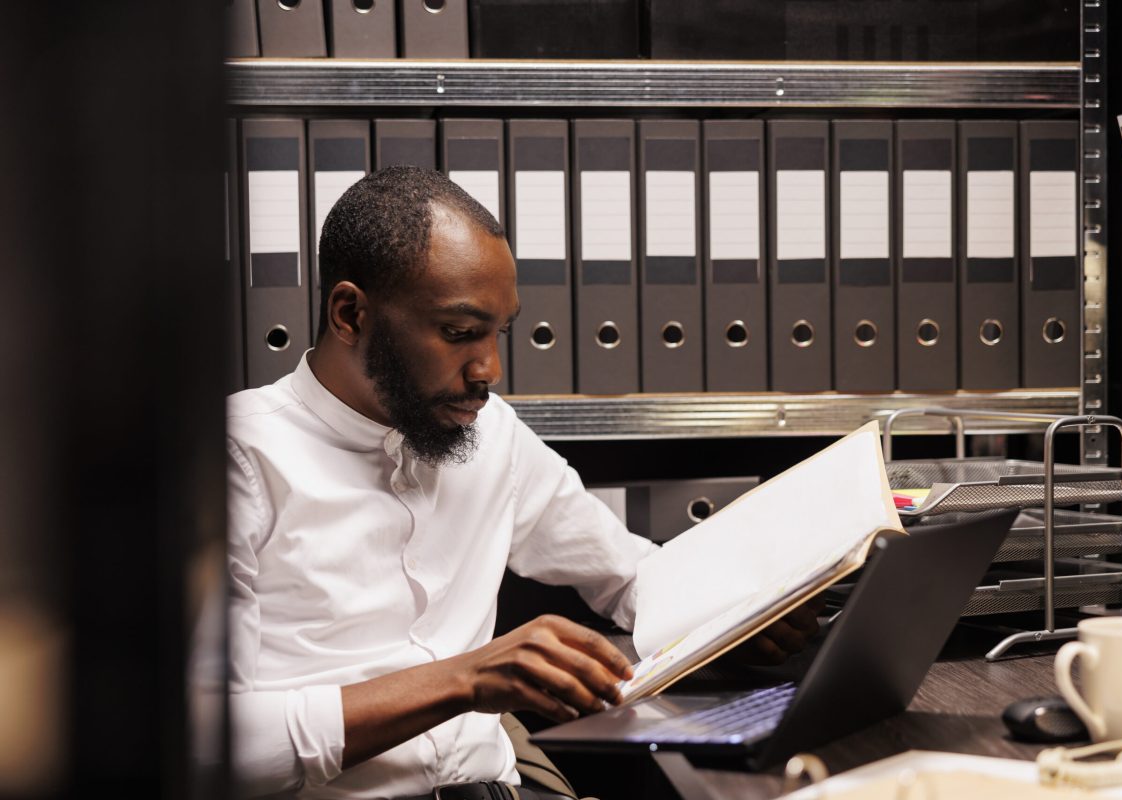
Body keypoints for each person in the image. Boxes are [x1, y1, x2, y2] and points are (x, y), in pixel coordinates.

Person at [226, 166, 818, 799]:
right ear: (350, 314)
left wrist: (741, 615)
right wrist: (465, 680)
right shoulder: (237, 459)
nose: (490, 369)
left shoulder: (493, 433)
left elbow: (628, 575)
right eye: (459, 333)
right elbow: (207, 744)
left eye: (498, 332)